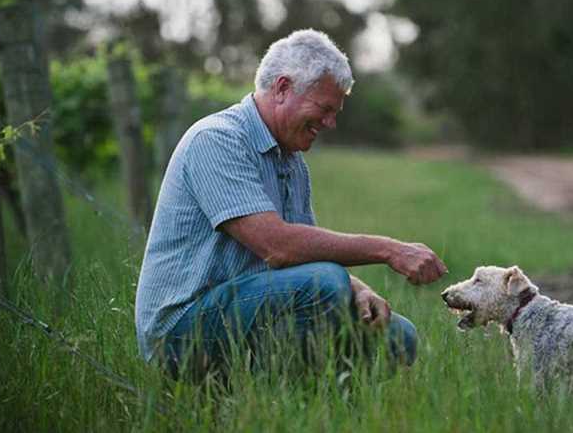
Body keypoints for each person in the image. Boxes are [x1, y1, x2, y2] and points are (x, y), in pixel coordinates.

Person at [135, 29, 447, 377]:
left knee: (397, 336)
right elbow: (278, 247)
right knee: (325, 283)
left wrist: (358, 289)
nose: (330, 123)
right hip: (181, 332)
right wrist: (389, 250)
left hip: (242, 306)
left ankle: (329, 405)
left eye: (335, 113)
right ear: (283, 88)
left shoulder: (292, 163)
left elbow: (303, 260)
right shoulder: (217, 140)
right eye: (325, 108)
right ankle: (272, 399)